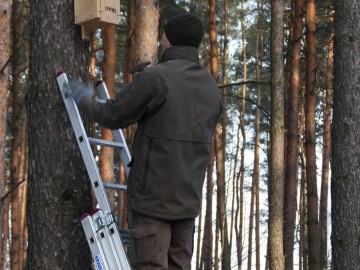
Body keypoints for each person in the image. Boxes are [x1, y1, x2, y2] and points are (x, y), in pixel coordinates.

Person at [69, 13, 222, 270]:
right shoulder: (211, 87)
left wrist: (85, 99)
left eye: (164, 32)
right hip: (188, 205)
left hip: (153, 202)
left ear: (169, 39)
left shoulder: (156, 78)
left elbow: (114, 115)